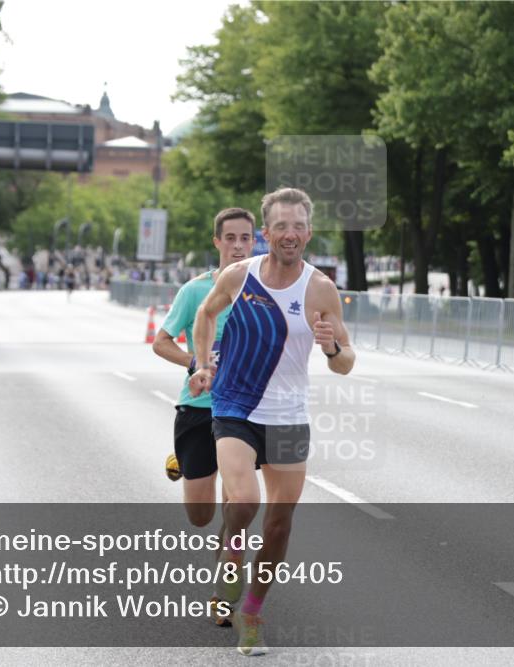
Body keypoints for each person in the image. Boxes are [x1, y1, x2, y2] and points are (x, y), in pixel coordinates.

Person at [189, 188, 355, 656]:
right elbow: (206, 314)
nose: (289, 234)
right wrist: (202, 365)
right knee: (243, 501)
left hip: (288, 416)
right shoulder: (238, 276)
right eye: (280, 226)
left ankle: (253, 613)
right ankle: (230, 554)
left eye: (297, 225)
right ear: (266, 233)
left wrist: (331, 348)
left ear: (308, 232)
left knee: (280, 524)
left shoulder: (320, 289)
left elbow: (347, 361)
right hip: (235, 406)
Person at [153, 207, 255, 627]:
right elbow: (160, 342)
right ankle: (183, 460)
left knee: (238, 508)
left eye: (245, 238)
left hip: (243, 413)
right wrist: (194, 362)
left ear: (254, 242)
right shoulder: (195, 291)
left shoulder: (265, 293)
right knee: (201, 516)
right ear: (217, 242)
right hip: (196, 410)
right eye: (229, 238)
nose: (236, 246)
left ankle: (223, 595)